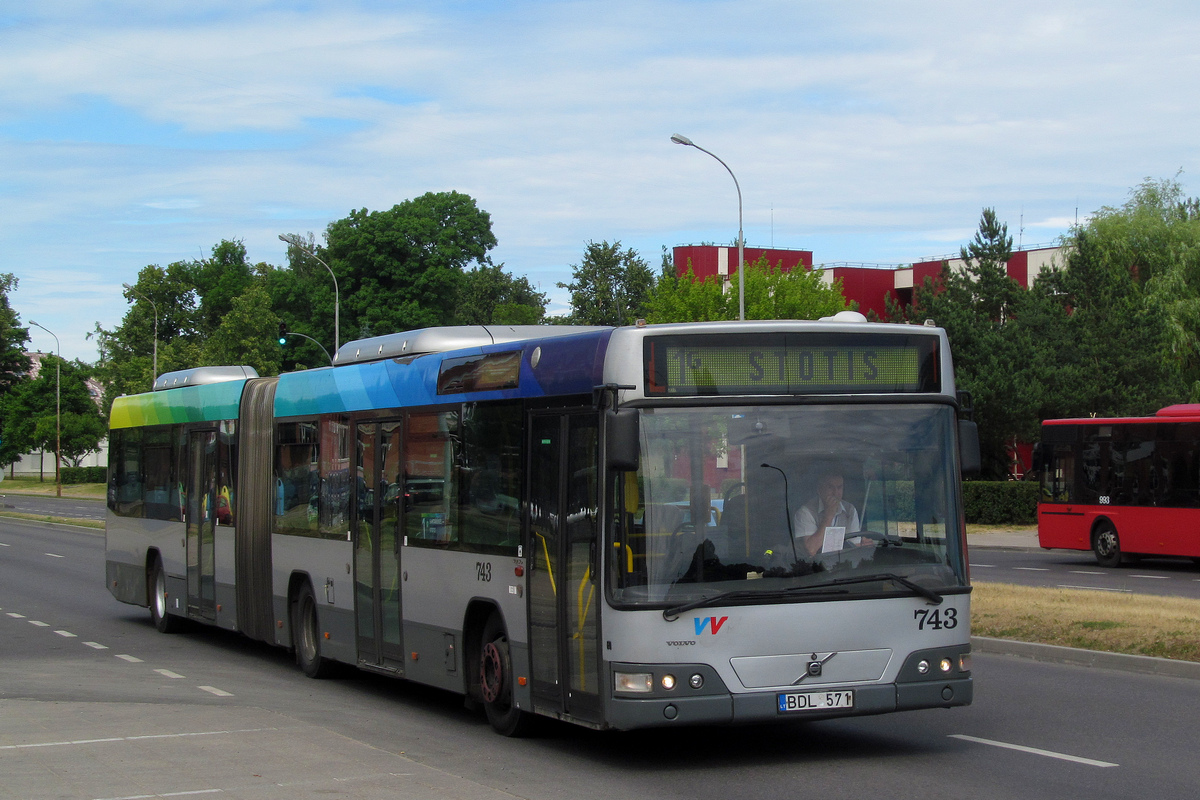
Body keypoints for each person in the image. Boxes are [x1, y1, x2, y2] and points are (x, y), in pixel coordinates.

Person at [794, 471, 865, 557]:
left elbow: (854, 546)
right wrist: (828, 516)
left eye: (839, 487)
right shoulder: (805, 512)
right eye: (830, 487)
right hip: (814, 566)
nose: (835, 493)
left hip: (843, 563)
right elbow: (811, 550)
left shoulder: (850, 510)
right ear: (820, 490)